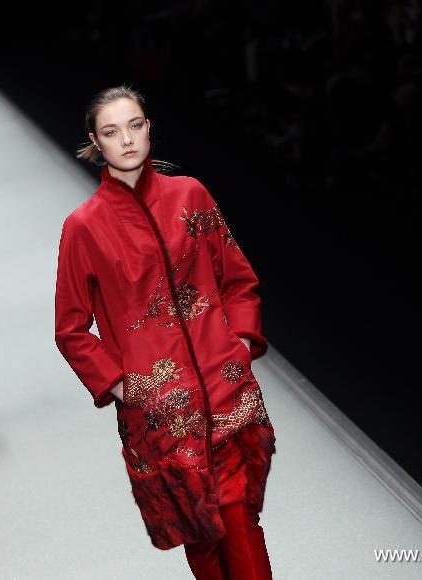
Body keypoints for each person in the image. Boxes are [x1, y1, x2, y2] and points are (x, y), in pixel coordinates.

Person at [55, 86, 276, 579]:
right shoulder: (84, 228)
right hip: (160, 414)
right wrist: (123, 386)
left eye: (135, 126)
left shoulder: (189, 195)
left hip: (226, 391)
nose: (127, 140)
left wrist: (237, 344)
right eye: (111, 132)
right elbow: (71, 328)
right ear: (96, 142)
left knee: (239, 520)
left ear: (149, 127)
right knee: (199, 533)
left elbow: (238, 279)